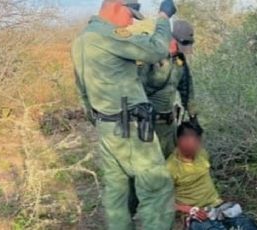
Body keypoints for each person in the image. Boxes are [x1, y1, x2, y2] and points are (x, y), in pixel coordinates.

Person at [71, 0, 178, 229]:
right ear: (117, 5)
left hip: (107, 127)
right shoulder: (107, 35)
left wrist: (102, 121)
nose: (130, 22)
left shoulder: (81, 40)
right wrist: (162, 17)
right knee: (156, 189)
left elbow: (83, 92)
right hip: (130, 126)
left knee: (117, 193)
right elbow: (156, 48)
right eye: (130, 15)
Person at [166, 122, 257, 230]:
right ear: (181, 141)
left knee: (246, 224)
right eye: (194, 141)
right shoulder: (170, 167)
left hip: (217, 206)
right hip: (195, 214)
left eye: (199, 141)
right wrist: (189, 209)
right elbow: (162, 202)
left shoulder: (202, 153)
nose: (198, 145)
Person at [140, 20, 197, 158]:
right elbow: (140, 86)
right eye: (182, 45)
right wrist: (164, 67)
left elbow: (187, 88)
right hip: (147, 125)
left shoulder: (180, 60)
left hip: (169, 126)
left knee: (171, 165)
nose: (182, 50)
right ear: (172, 39)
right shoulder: (151, 53)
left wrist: (193, 114)